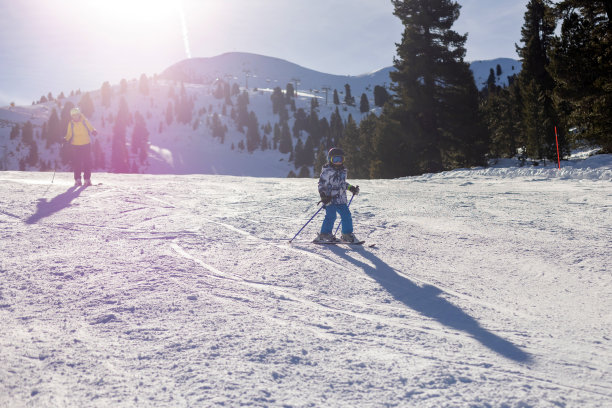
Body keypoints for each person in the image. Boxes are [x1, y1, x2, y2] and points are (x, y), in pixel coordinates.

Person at [316, 147, 361, 243]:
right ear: (330, 159)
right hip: (329, 199)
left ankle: (346, 234)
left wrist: (351, 188)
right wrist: (323, 196)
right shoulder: (327, 171)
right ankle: (324, 234)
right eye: (335, 159)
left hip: (341, 199)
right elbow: (321, 184)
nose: (338, 162)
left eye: (340, 159)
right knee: (331, 216)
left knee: (346, 215)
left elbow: (342, 183)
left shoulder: (343, 170)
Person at [64, 107, 97, 187]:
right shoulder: (71, 123)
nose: (75, 117)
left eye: (76, 115)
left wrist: (93, 131)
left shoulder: (84, 121)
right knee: (77, 163)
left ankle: (87, 179)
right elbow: (69, 134)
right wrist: (65, 139)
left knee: (87, 162)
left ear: (79, 115)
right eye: (73, 115)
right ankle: (77, 180)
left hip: (86, 144)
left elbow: (90, 127)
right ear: (72, 116)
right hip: (75, 145)